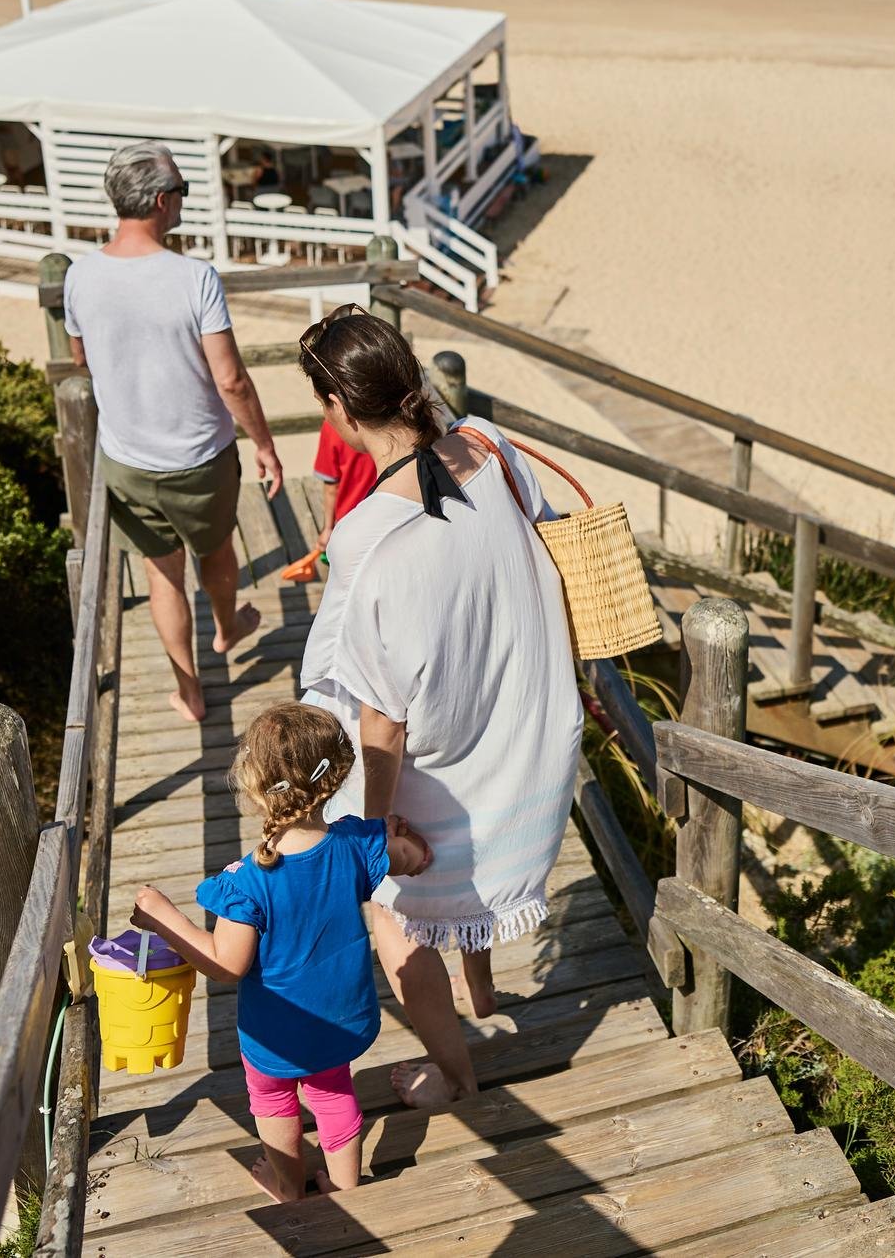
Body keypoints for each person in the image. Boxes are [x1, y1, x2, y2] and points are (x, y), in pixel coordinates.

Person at [294, 306, 582, 1110]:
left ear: (342, 411)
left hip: (442, 763)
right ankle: (483, 998)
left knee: (396, 917)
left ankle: (456, 1076)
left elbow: (381, 712)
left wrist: (372, 830)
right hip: (524, 731)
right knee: (457, 888)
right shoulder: (489, 443)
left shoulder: (368, 535)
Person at [131, 702, 432, 1203]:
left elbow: (227, 964)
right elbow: (412, 857)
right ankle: (345, 1188)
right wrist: (410, 846)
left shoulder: (249, 884)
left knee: (273, 1102)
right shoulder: (357, 844)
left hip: (276, 1033)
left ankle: (288, 1185)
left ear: (252, 784)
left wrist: (165, 918)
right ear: (334, 779)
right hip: (339, 1017)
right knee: (333, 1093)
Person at [64, 141, 285, 722]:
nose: (183, 199)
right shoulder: (194, 278)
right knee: (215, 550)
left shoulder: (79, 275)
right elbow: (232, 380)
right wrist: (263, 444)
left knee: (163, 575)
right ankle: (229, 624)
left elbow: (80, 354)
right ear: (163, 201)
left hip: (128, 460)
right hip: (201, 458)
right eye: (183, 190)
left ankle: (190, 693)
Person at [280, 420, 380, 584]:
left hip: (350, 522)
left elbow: (331, 487)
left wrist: (328, 528)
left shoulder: (333, 425)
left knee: (351, 579)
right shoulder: (389, 416)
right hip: (386, 514)